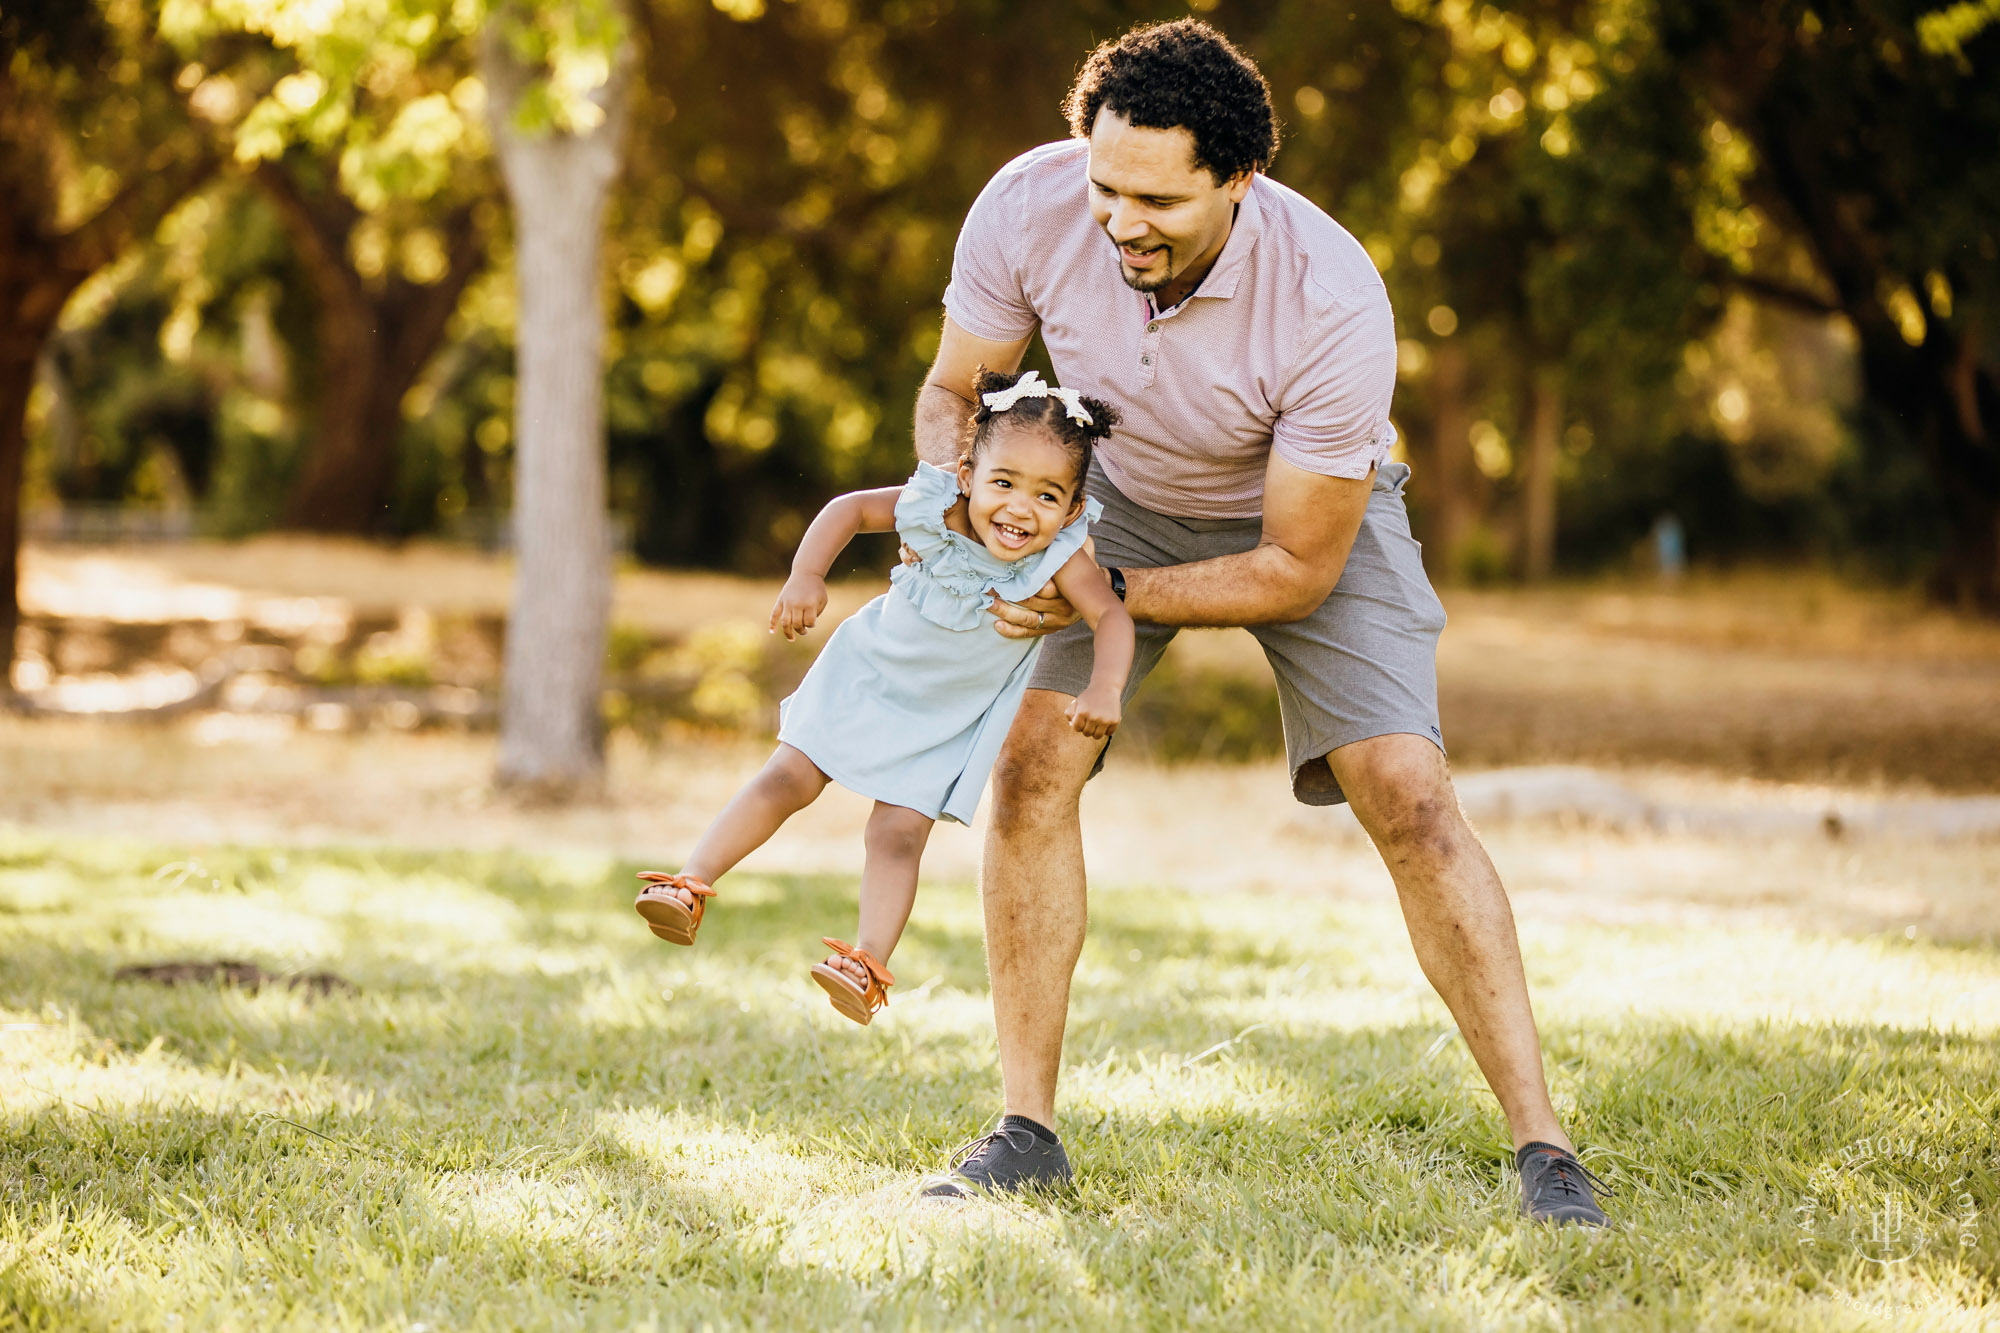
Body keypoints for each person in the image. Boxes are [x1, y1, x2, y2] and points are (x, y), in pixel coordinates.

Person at [913, 20, 1610, 1226]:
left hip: (1301, 517)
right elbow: (951, 390)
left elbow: (1293, 566)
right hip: (1111, 495)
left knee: (1407, 792)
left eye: (1155, 199)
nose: (1118, 220)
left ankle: (1543, 1149)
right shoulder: (1030, 205)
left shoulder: (1329, 296)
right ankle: (1024, 1129)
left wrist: (1100, 594)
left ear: (1237, 179)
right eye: (1103, 184)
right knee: (1028, 770)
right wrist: (963, 510)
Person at [633, 368, 1136, 1027]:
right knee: (787, 775)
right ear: (966, 473)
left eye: (1047, 495)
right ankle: (689, 883)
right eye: (1004, 483)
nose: (1020, 508)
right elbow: (848, 509)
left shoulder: (1061, 558)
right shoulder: (936, 506)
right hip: (868, 672)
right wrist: (807, 575)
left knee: (897, 834)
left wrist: (1104, 685)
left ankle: (865, 963)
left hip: (944, 718)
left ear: (1072, 510)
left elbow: (1113, 617)